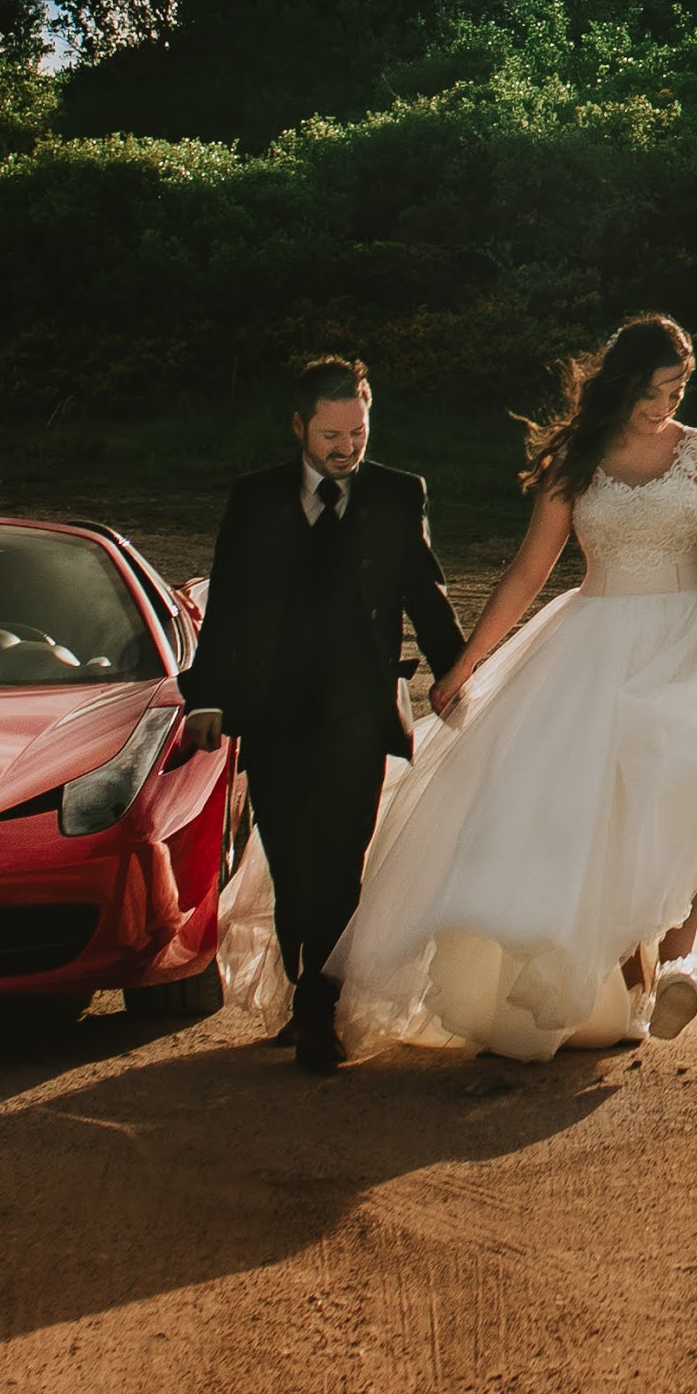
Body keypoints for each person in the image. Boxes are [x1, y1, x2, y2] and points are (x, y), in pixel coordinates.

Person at [319, 314, 697, 1064]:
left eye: (677, 389)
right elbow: (527, 571)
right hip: (598, 642)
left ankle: (677, 966)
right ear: (622, 382)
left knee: (687, 785)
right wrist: (465, 664)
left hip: (693, 639)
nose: (664, 405)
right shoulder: (578, 459)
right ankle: (628, 977)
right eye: (652, 391)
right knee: (595, 814)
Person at [185, 353, 469, 1069]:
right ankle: (306, 977)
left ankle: (318, 1005)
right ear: (299, 427)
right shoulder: (254, 500)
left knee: (340, 862)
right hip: (274, 711)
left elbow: (426, 599)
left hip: (357, 709)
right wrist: (210, 695)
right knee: (292, 862)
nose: (347, 448)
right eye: (332, 436)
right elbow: (229, 609)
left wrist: (460, 676)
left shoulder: (400, 495)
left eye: (358, 432)